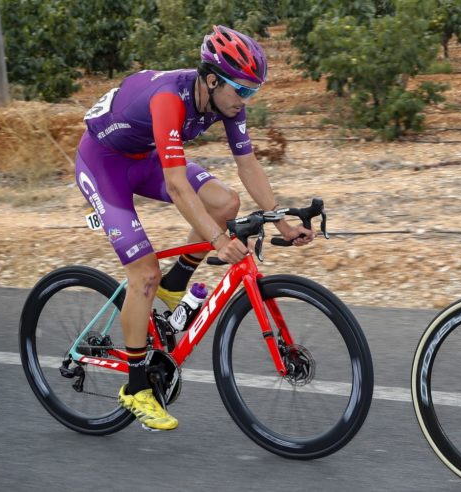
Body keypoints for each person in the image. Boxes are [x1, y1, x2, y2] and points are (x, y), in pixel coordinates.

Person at [75, 25, 314, 431]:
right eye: (241, 90)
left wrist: (283, 221)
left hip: (143, 156)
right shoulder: (170, 99)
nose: (245, 100)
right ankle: (136, 389)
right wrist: (218, 241)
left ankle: (177, 282)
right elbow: (176, 185)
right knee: (144, 274)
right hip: (104, 165)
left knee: (225, 202)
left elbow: (248, 165)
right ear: (210, 78)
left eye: (252, 92)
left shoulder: (228, 103)